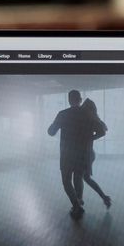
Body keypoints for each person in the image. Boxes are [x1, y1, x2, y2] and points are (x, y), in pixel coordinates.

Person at [48, 90, 95, 218]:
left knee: (66, 181)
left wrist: (51, 127)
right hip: (82, 153)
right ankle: (79, 200)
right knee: (78, 178)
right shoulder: (87, 114)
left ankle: (76, 205)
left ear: (69, 100)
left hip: (67, 154)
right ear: (80, 99)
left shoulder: (63, 114)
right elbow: (97, 128)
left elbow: (51, 132)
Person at [76, 97, 112, 211]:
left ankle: (79, 200)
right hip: (88, 153)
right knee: (85, 178)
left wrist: (88, 138)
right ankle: (104, 197)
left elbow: (102, 132)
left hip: (85, 154)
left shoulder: (88, 119)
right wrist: (90, 138)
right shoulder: (93, 118)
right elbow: (103, 130)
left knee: (80, 177)